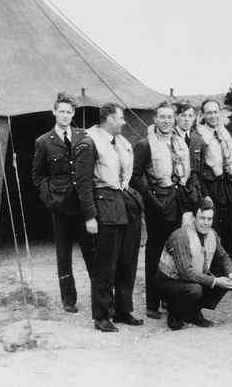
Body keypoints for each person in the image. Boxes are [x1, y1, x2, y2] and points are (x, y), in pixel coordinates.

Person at [31, 92, 95, 313]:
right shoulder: (44, 142)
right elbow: (37, 176)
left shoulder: (83, 136)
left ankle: (99, 296)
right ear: (54, 112)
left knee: (91, 252)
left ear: (73, 114)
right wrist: (50, 198)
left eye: (69, 112)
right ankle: (69, 299)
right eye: (61, 111)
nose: (65, 115)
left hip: (83, 205)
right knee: (63, 255)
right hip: (60, 206)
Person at [85, 103, 144, 332]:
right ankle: (102, 316)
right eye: (121, 118)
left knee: (127, 261)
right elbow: (83, 181)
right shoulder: (90, 140)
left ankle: (123, 310)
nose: (124, 122)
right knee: (105, 265)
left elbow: (128, 173)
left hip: (125, 202)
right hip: (105, 203)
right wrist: (90, 215)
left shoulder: (123, 142)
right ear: (109, 118)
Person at [131, 101, 191, 320]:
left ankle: (170, 298)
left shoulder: (179, 142)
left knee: (175, 252)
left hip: (178, 201)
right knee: (155, 254)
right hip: (158, 203)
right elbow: (134, 176)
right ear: (154, 119)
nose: (166, 121)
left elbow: (187, 172)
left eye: (170, 117)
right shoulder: (145, 144)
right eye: (162, 117)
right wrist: (150, 197)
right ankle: (152, 303)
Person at [155, 198, 232, 330]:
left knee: (225, 279)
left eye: (209, 219)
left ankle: (193, 313)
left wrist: (231, 275)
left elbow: (224, 257)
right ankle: (174, 313)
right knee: (195, 289)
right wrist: (215, 281)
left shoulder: (212, 234)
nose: (206, 223)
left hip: (191, 278)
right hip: (169, 281)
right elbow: (186, 272)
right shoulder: (181, 236)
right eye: (202, 218)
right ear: (194, 218)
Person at [195, 99, 232, 255]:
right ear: (203, 115)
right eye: (209, 113)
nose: (213, 116)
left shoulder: (224, 132)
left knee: (231, 229)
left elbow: (230, 162)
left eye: (215, 112)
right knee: (214, 230)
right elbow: (198, 169)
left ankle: (229, 272)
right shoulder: (199, 135)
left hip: (226, 185)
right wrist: (204, 194)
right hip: (210, 185)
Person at [174, 100, 206, 210]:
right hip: (174, 192)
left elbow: (201, 170)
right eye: (183, 115)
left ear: (194, 118)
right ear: (177, 117)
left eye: (190, 116)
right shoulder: (170, 137)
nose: (187, 119)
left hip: (193, 192)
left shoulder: (198, 140)